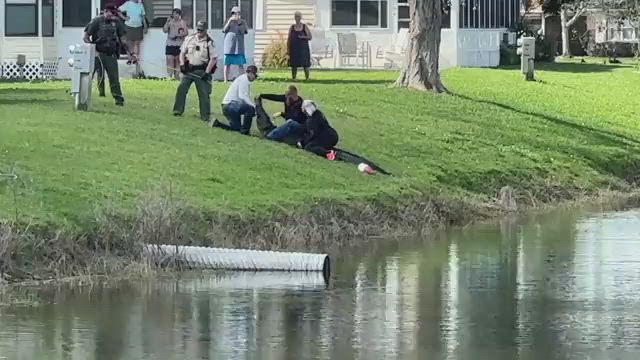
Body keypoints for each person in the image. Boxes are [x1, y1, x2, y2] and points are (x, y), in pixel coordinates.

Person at [84, 5, 137, 106]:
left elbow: (124, 39)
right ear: (105, 11)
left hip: (111, 54)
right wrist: (92, 49)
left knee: (114, 78)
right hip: (97, 54)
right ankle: (83, 97)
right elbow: (86, 37)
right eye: (111, 13)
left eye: (114, 13)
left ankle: (118, 99)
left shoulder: (117, 23)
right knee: (88, 77)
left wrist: (131, 53)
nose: (112, 15)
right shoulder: (97, 21)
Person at [172, 20, 217, 122]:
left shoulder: (209, 42)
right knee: (181, 88)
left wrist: (207, 72)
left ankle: (205, 116)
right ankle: (177, 110)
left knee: (204, 93)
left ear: (206, 30)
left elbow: (213, 58)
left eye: (201, 30)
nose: (199, 32)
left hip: (202, 71)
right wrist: (182, 64)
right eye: (198, 30)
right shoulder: (189, 39)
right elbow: (182, 53)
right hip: (189, 69)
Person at [212, 65, 258, 135]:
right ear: (251, 73)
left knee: (236, 128)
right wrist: (254, 106)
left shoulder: (242, 79)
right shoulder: (244, 80)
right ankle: (245, 131)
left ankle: (218, 124)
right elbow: (242, 96)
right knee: (250, 109)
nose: (255, 78)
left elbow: (243, 98)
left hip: (226, 106)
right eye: (255, 76)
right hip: (231, 105)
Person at [222, 6, 248, 82]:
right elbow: (224, 30)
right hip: (229, 47)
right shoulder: (228, 21)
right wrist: (229, 21)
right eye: (233, 13)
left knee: (240, 65)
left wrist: (239, 22)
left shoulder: (243, 22)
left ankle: (243, 79)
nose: (235, 15)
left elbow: (244, 31)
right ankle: (225, 80)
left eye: (236, 13)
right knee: (227, 64)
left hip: (238, 47)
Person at [118, 0, 148, 66]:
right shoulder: (128, 4)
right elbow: (118, 11)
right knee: (129, 43)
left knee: (137, 43)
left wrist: (145, 26)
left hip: (138, 26)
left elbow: (143, 16)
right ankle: (129, 58)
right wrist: (124, 18)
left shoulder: (140, 5)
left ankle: (135, 59)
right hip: (129, 26)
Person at [163, 8, 188, 80]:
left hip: (179, 44)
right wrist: (167, 22)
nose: (175, 15)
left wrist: (178, 36)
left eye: (176, 14)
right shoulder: (170, 22)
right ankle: (169, 76)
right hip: (170, 44)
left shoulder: (182, 22)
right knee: (169, 59)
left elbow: (186, 32)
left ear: (179, 15)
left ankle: (177, 76)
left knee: (178, 60)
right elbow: (164, 30)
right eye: (174, 13)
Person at [287, 11, 312, 80]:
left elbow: (310, 37)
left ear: (301, 17)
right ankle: (294, 78)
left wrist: (303, 37)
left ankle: (307, 78)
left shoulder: (304, 27)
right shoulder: (292, 27)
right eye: (296, 16)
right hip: (294, 49)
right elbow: (289, 39)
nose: (297, 18)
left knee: (305, 64)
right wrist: (288, 49)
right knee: (294, 64)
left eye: (298, 16)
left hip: (303, 49)